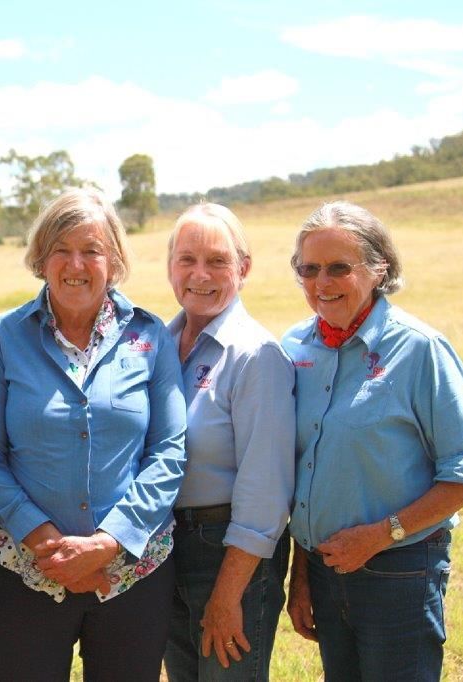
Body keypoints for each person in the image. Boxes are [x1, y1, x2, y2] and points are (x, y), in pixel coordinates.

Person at [0, 187, 188, 681]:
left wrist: (109, 542)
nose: (76, 264)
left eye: (91, 250)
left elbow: (169, 453)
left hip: (131, 573)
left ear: (113, 262)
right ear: (41, 260)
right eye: (61, 250)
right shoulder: (3, 339)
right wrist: (46, 542)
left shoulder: (149, 337)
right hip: (26, 570)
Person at [283, 200, 463, 681]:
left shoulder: (419, 349)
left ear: (378, 270)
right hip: (324, 571)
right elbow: (308, 473)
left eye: (339, 268)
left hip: (399, 572)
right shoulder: (295, 348)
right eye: (309, 269)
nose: (322, 283)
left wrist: (381, 535)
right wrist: (302, 575)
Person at [162, 203, 295, 681]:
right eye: (187, 259)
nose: (201, 274)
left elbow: (266, 491)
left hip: (228, 553)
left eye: (217, 261)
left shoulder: (255, 355)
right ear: (170, 266)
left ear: (244, 268)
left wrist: (227, 595)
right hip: (166, 548)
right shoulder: (158, 344)